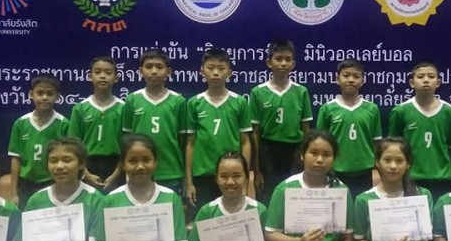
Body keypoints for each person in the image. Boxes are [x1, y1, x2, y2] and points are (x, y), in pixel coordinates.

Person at [186, 48, 252, 220]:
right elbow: (190, 143)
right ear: (202, 71)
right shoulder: (194, 103)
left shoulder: (239, 102)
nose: (216, 72)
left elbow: (246, 142)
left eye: (221, 68)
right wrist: (189, 182)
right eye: (210, 68)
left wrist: (245, 178)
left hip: (231, 175)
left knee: (233, 221)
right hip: (203, 173)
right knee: (205, 221)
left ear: (229, 72)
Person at [250, 39, 313, 205]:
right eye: (278, 59)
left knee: (293, 199)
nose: (283, 63)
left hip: (294, 151)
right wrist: (257, 169)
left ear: (293, 64)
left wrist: (305, 159)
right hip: (268, 151)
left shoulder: (301, 92)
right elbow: (255, 133)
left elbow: (306, 130)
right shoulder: (258, 92)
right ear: (269, 62)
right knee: (268, 198)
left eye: (287, 59)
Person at [389, 62, 451, 200]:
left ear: (438, 82)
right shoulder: (401, 110)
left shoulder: (448, 111)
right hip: (411, 178)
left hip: (442, 178)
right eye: (420, 77)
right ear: (411, 82)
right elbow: (393, 146)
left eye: (431, 76)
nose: (426, 80)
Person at [122, 49, 188, 193]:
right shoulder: (132, 100)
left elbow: (182, 140)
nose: (154, 71)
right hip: (138, 171)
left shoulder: (179, 101)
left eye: (159, 67)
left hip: (170, 172)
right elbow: (127, 138)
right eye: (149, 67)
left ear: (168, 72)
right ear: (141, 71)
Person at [315, 59, 382, 197]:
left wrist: (377, 169)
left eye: (356, 76)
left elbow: (376, 142)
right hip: (335, 170)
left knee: (361, 207)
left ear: (362, 81)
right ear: (337, 79)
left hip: (364, 171)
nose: (351, 80)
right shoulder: (327, 109)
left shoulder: (372, 109)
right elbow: (320, 143)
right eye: (346, 75)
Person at [8, 75, 69, 209]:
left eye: (49, 94)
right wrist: (13, 193)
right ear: (31, 95)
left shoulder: (63, 124)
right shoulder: (21, 123)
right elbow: (15, 159)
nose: (44, 97)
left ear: (57, 97)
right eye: (40, 93)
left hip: (52, 181)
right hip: (26, 183)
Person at [68, 56, 124, 192]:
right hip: (87, 165)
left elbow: (128, 146)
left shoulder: (124, 108)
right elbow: (73, 145)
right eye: (98, 72)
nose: (102, 76)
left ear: (116, 78)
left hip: (117, 166)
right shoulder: (80, 108)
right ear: (90, 76)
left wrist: (116, 175)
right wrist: (86, 175)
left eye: (108, 72)